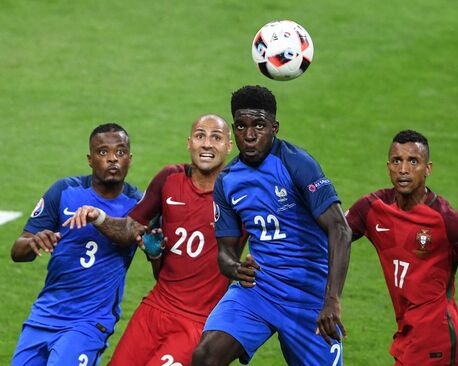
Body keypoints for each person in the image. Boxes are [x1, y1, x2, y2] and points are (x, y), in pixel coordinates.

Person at [191, 85, 352, 366]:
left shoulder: (296, 164)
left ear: (274, 127)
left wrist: (332, 300)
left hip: (309, 298)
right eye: (241, 126)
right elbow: (225, 252)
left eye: (260, 126)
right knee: (206, 356)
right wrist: (235, 268)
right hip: (259, 290)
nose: (250, 136)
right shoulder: (228, 180)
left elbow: (340, 229)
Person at [345, 129, 458, 366]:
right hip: (408, 333)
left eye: (413, 161)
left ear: (428, 168)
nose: (403, 169)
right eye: (397, 161)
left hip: (437, 335)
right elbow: (331, 236)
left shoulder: (445, 219)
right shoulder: (372, 208)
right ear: (388, 165)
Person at [64, 114, 234, 365]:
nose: (207, 144)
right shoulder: (169, 178)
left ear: (229, 146)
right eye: (200, 136)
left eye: (216, 138)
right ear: (189, 143)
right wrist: (98, 217)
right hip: (155, 307)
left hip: (199, 319)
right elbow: (129, 229)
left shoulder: (239, 192)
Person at [11, 123, 141, 366]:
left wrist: (99, 218)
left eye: (120, 152)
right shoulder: (63, 191)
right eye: (103, 152)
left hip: (88, 323)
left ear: (130, 159)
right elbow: (18, 252)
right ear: (90, 160)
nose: (112, 159)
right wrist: (34, 242)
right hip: (44, 315)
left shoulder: (138, 205)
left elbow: (137, 236)